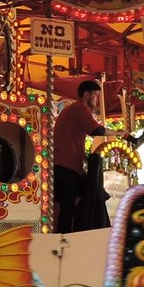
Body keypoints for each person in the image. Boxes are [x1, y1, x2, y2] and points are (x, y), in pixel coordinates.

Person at [53, 80, 104, 233]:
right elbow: (95, 130)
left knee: (86, 194)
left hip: (66, 163)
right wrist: (123, 134)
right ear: (86, 94)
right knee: (69, 204)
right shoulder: (79, 108)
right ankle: (64, 237)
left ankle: (73, 233)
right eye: (95, 95)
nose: (96, 99)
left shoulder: (71, 110)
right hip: (67, 164)